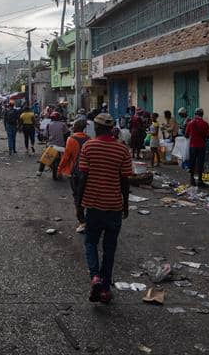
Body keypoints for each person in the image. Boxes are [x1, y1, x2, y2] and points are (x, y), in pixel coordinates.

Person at [76, 113, 133, 304]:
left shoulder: (89, 146)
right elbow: (125, 180)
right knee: (110, 248)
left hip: (93, 205)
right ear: (111, 129)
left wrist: (79, 204)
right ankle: (105, 288)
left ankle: (95, 277)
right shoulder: (122, 149)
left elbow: (83, 177)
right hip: (114, 206)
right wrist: (125, 204)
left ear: (97, 129)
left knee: (91, 243)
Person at [58, 119, 90, 233]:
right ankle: (88, 219)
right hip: (88, 172)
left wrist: (60, 168)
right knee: (86, 194)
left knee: (77, 196)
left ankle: (82, 221)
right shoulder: (89, 139)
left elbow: (66, 157)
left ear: (75, 127)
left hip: (76, 172)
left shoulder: (71, 139)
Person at [185, 108, 209, 188]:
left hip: (193, 146)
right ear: (202, 114)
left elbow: (186, 135)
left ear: (195, 114)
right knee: (200, 163)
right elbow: (207, 136)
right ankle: (200, 180)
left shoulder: (190, 123)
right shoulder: (205, 124)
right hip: (201, 146)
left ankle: (192, 179)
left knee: (192, 162)